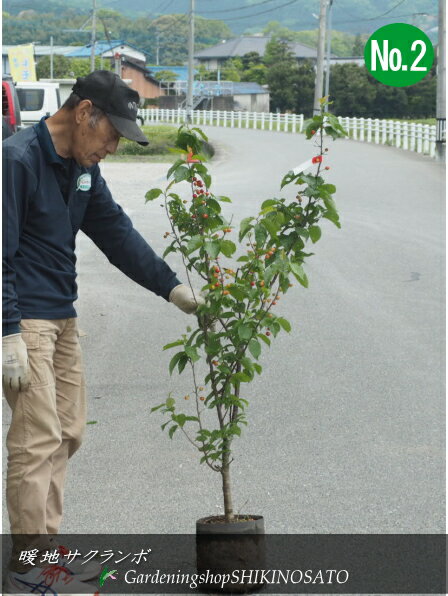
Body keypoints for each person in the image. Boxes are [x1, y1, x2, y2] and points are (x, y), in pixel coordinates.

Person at [2, 70, 202, 594]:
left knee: (68, 433)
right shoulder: (18, 159)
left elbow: (115, 230)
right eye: (112, 133)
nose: (113, 146)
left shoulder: (82, 170)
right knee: (37, 437)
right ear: (85, 112)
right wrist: (6, 332)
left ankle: (46, 555)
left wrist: (172, 288)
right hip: (23, 321)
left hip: (62, 317)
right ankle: (31, 566)